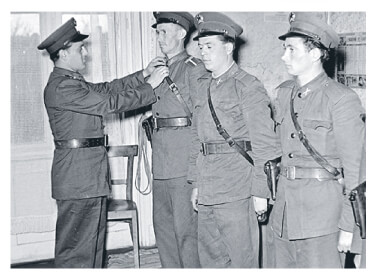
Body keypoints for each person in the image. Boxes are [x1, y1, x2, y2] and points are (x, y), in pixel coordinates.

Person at [37, 17, 168, 268]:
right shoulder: (62, 87)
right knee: (76, 251)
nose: (85, 52)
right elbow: (110, 104)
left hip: (88, 176)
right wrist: (150, 86)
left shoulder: (73, 82)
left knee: (93, 247)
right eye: (79, 48)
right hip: (77, 179)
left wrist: (143, 75)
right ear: (63, 53)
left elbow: (108, 89)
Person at [272, 12, 365, 268]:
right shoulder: (283, 94)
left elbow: (356, 171)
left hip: (322, 219)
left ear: (315, 54)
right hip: (283, 214)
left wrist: (349, 225)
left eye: (292, 49)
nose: (284, 56)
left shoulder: (340, 99)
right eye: (284, 49)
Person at [187, 12, 280, 268]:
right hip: (207, 187)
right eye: (200, 46)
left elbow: (265, 145)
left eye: (209, 46)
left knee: (242, 261)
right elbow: (197, 138)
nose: (203, 52)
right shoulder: (202, 85)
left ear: (228, 47)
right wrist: (195, 182)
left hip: (237, 187)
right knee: (210, 260)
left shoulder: (247, 86)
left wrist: (260, 192)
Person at [149, 12, 206, 268]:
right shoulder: (158, 69)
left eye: (164, 32)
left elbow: (202, 119)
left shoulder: (194, 69)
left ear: (182, 34)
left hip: (183, 161)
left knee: (186, 234)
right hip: (160, 161)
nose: (159, 38)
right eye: (157, 32)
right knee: (163, 232)